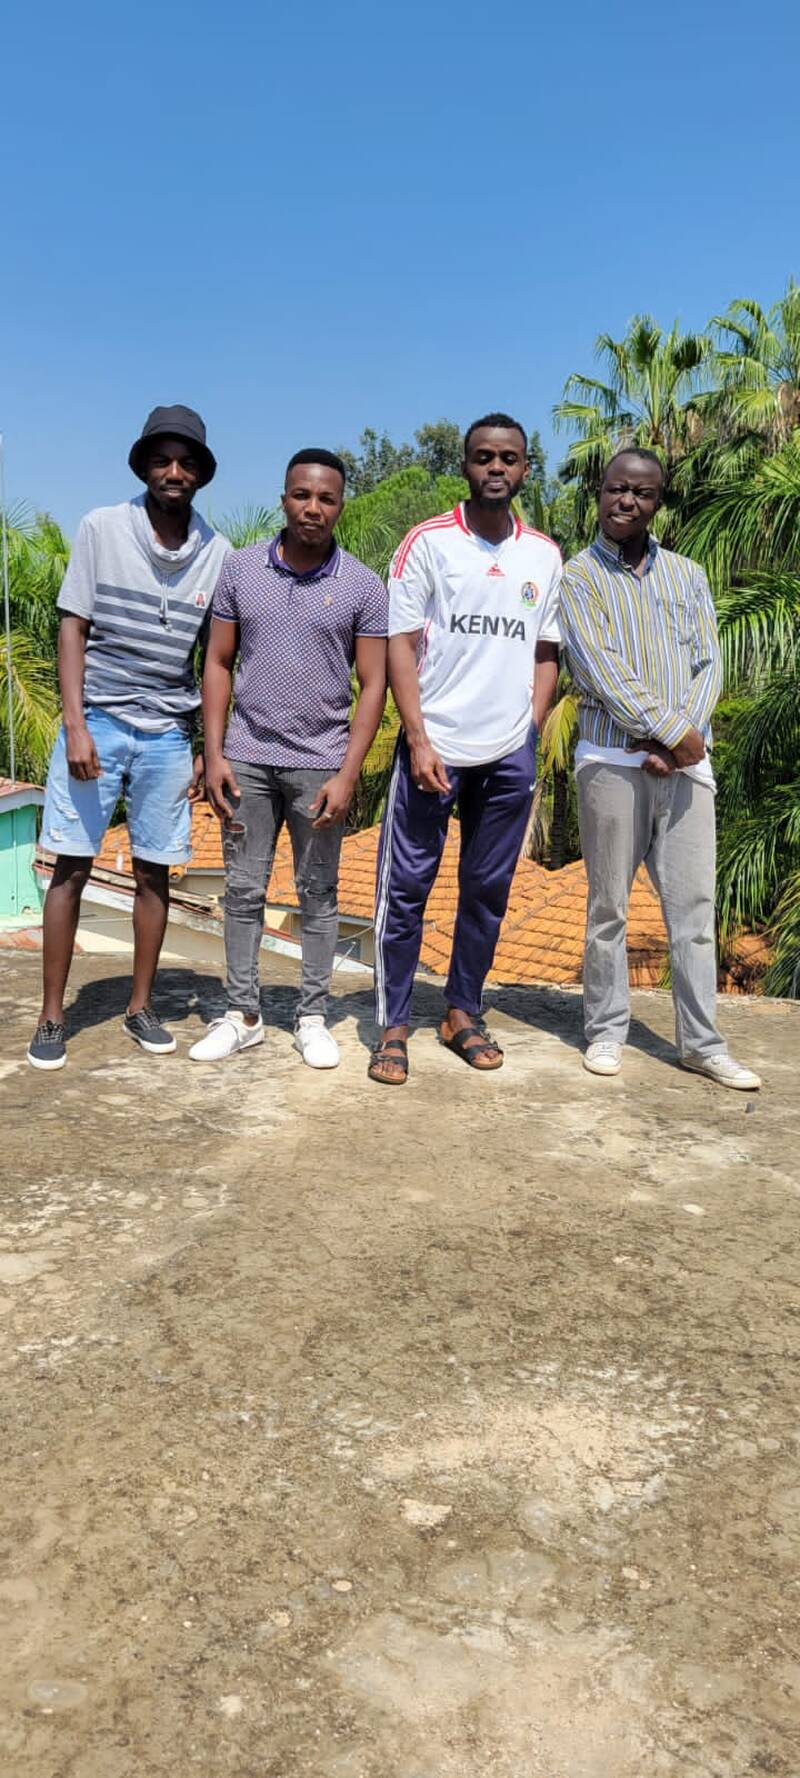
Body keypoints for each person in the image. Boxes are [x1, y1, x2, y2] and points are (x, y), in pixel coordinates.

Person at [28, 405, 229, 1071]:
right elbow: (73, 626)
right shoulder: (102, 528)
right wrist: (76, 724)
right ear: (144, 466)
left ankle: (140, 1007)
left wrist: (204, 744)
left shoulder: (218, 553)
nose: (174, 472)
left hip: (167, 732)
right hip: (99, 722)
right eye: (162, 460)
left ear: (200, 474)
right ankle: (52, 1014)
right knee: (71, 865)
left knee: (154, 869)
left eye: (187, 462)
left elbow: (215, 658)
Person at [559, 447, 761, 1089]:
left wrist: (682, 745)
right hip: (610, 763)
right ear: (600, 493)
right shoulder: (579, 576)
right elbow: (598, 667)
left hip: (686, 771)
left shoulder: (688, 575)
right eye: (616, 489)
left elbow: (710, 663)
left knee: (694, 912)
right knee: (609, 909)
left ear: (657, 503)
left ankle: (702, 1045)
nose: (626, 501)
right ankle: (606, 1031)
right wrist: (673, 733)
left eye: (641, 493)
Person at [369, 414, 561, 1086]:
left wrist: (529, 727)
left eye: (508, 458)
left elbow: (546, 650)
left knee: (487, 890)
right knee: (407, 890)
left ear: (525, 468)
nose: (496, 468)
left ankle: (460, 1012)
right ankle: (393, 1024)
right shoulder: (428, 543)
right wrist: (418, 737)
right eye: (484, 457)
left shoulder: (544, 554)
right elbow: (400, 643)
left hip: (508, 754)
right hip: (436, 747)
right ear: (465, 466)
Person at [190, 448, 387, 1069]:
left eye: (326, 498)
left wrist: (348, 773)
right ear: (284, 499)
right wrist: (213, 753)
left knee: (318, 893)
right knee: (243, 890)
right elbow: (218, 662)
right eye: (302, 495)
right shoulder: (241, 569)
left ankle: (312, 1017)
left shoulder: (362, 585)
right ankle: (242, 1015)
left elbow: (374, 685)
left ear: (340, 506)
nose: (313, 508)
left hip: (320, 763)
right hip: (246, 757)